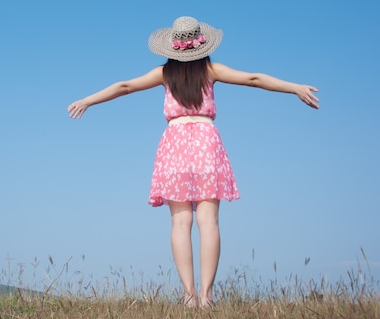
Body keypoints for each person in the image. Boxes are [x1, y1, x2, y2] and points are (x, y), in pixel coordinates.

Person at [67, 16, 319, 308]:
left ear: (172, 47)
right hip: (205, 142)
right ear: (202, 44)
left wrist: (87, 100)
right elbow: (254, 79)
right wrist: (295, 87)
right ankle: (207, 296)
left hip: (174, 144)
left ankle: (189, 296)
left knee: (180, 221)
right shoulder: (210, 70)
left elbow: (124, 86)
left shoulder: (164, 74)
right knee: (208, 221)